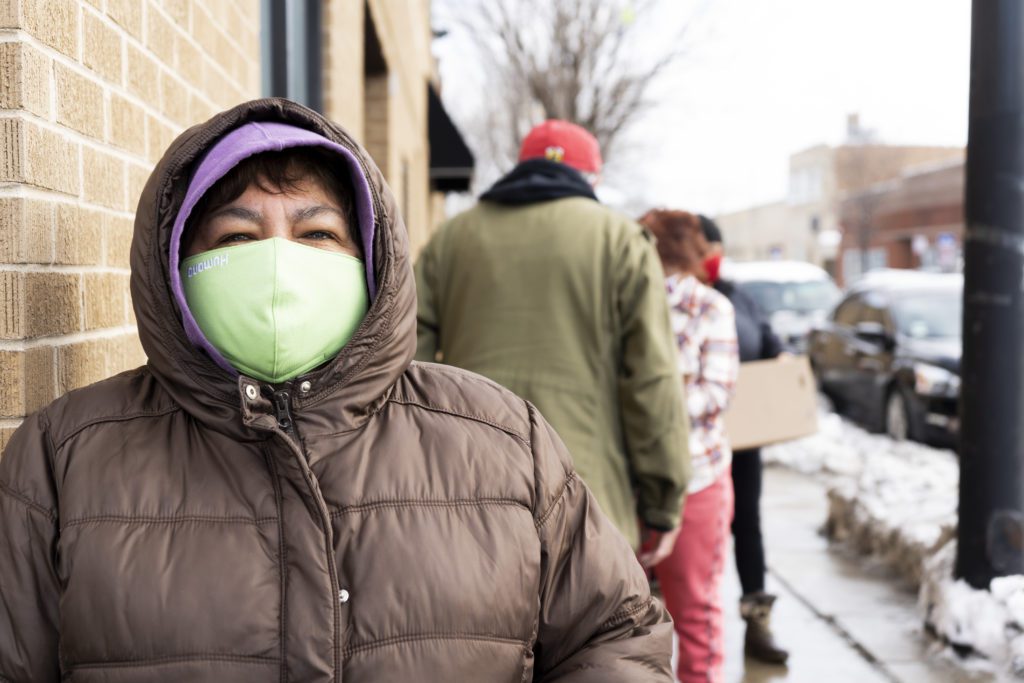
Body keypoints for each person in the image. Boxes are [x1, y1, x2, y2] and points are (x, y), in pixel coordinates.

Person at [0, 99, 675, 682]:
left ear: (371, 262)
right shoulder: (62, 460)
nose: (278, 264)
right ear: (178, 269)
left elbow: (617, 633)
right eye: (237, 235)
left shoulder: (505, 441)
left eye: (318, 233)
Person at [415, 120, 690, 567]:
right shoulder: (622, 241)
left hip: (469, 490)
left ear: (521, 168)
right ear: (592, 178)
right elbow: (651, 380)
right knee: (593, 635)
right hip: (587, 498)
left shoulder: (451, 239)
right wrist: (663, 498)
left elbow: (406, 358)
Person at [640, 209, 739, 683]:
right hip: (697, 477)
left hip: (656, 476)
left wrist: (652, 398)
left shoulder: (699, 306)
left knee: (621, 621)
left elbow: (715, 395)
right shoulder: (712, 307)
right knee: (696, 613)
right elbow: (716, 395)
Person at [700, 215, 789, 664]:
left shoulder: (741, 299)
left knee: (746, 525)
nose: (710, 260)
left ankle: (757, 623)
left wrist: (784, 362)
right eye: (703, 251)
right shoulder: (670, 300)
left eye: (715, 250)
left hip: (742, 440)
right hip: (689, 442)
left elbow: (772, 345)